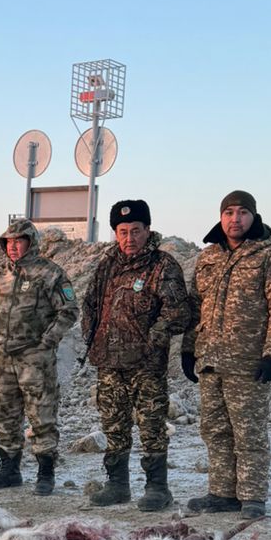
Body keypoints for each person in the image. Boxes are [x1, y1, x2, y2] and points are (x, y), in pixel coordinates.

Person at [181, 190, 271, 518]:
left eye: (242, 212)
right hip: (210, 361)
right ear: (221, 217)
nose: (235, 219)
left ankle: (252, 497)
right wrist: (189, 349)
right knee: (215, 430)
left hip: (248, 362)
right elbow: (194, 307)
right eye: (229, 212)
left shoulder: (270, 254)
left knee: (249, 431)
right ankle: (222, 493)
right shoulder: (208, 257)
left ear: (253, 216)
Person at [82, 198, 190, 511]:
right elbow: (90, 304)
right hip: (109, 363)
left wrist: (153, 337)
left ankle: (158, 488)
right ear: (116, 233)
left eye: (136, 230)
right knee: (114, 427)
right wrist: (92, 339)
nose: (130, 238)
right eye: (123, 231)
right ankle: (117, 485)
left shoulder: (163, 265)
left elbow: (178, 312)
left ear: (148, 230)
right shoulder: (107, 266)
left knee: (152, 427)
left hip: (146, 365)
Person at [0, 217, 79, 495]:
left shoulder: (50, 273)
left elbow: (68, 310)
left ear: (30, 243)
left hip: (35, 360)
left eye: (18, 241)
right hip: (2, 360)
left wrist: (47, 341)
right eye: (8, 242)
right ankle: (10, 470)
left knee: (41, 415)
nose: (13, 247)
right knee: (6, 415)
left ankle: (45, 474)